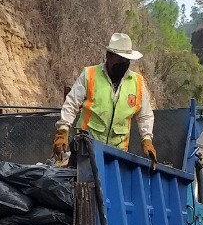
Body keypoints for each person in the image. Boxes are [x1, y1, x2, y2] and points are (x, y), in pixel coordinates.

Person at [53, 32, 157, 168]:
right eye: (119, 60)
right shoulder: (90, 75)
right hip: (86, 150)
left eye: (126, 61)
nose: (123, 64)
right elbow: (71, 104)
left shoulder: (137, 83)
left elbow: (145, 116)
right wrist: (63, 131)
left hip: (116, 155)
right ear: (108, 56)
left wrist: (147, 139)